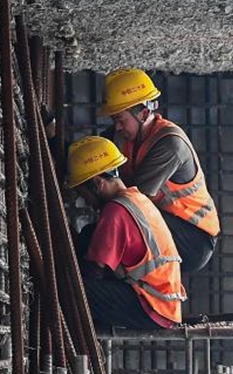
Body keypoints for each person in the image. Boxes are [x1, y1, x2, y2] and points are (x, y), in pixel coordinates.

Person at [99, 68, 220, 273]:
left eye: (120, 119)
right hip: (165, 220)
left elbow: (134, 201)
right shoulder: (124, 134)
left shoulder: (170, 145)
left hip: (193, 239)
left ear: (144, 113)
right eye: (114, 120)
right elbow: (94, 157)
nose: (117, 127)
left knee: (122, 216)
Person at [66, 136, 187, 330]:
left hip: (151, 306)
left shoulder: (116, 211)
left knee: (71, 290)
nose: (85, 201)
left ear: (97, 184)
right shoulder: (136, 198)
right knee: (90, 233)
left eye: (83, 193)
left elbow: (94, 271)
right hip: (163, 303)